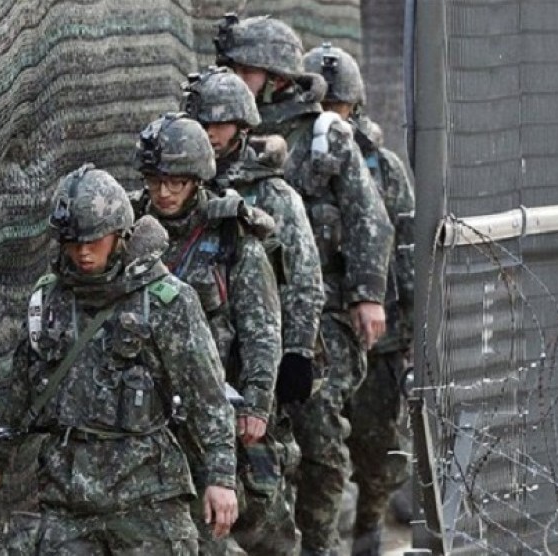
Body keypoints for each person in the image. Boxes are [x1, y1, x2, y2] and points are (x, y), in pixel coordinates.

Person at [0, 164, 238, 555]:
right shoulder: (51, 300)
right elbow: (21, 382)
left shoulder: (165, 301)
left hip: (146, 494)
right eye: (73, 242)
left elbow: (208, 396)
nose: (83, 252)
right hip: (68, 494)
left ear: (119, 234)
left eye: (94, 239)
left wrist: (221, 477)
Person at [214, 14, 395, 556]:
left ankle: (321, 544)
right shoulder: (226, 131)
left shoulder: (325, 136)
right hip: (242, 311)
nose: (235, 78)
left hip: (320, 314)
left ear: (276, 76)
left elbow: (369, 218)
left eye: (246, 70)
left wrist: (367, 295)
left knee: (319, 440)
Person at [181, 66, 327, 554]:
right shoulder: (180, 191)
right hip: (195, 372)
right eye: (200, 123)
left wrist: (295, 356)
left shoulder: (273, 195)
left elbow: (303, 280)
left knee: (264, 501)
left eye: (218, 124)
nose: (208, 132)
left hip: (255, 366)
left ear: (242, 126)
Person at [132, 113, 285, 555]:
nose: (163, 193)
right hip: (148, 411)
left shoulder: (232, 237)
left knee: (259, 523)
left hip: (222, 400)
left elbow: (261, 328)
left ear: (196, 180)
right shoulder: (126, 231)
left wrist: (256, 401)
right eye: (155, 180)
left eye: (175, 183)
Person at [304, 44, 416, 556]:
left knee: (377, 446)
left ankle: (369, 523)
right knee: (318, 446)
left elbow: (405, 248)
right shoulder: (293, 162)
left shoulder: (383, 168)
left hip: (380, 335)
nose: (330, 117)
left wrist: (408, 329)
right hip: (320, 328)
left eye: (339, 107)